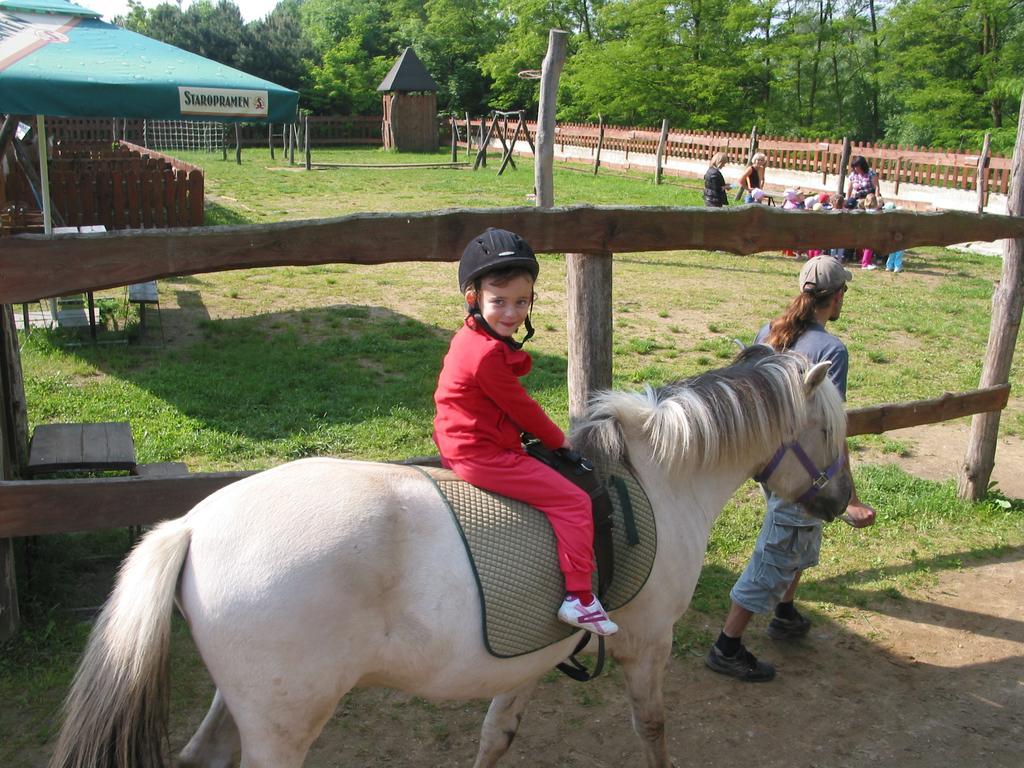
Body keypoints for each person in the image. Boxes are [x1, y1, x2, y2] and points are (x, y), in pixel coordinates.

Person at [433, 228, 619, 636]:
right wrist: (561, 441)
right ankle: (579, 598)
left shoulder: (472, 337)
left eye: (522, 302)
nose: (512, 313)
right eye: (499, 302)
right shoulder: (486, 357)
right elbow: (523, 410)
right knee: (572, 500)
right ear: (474, 299)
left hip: (461, 440)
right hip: (480, 454)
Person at [705, 256, 877, 681]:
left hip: (770, 458)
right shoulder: (831, 350)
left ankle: (784, 611)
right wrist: (850, 494)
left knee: (805, 530)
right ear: (837, 297)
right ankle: (728, 644)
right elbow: (829, 428)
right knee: (781, 545)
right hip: (802, 463)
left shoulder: (770, 330)